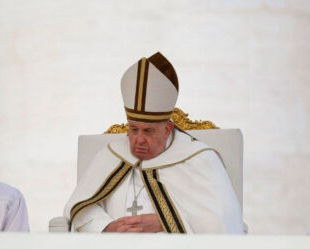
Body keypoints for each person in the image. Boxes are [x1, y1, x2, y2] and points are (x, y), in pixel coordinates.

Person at [64, 52, 243, 234]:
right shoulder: (110, 156)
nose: (139, 139)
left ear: (167, 129)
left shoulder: (200, 159)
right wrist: (106, 227)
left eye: (148, 131)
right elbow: (82, 208)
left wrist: (165, 221)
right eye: (133, 129)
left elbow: (221, 221)